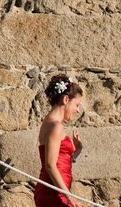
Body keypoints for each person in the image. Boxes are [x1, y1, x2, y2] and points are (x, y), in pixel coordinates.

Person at [34, 74, 85, 207]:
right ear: (66, 99)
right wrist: (69, 197)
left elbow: (60, 160)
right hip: (53, 193)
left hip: (56, 190)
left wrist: (77, 151)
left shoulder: (50, 123)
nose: (78, 110)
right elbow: (50, 165)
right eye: (77, 105)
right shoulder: (55, 126)